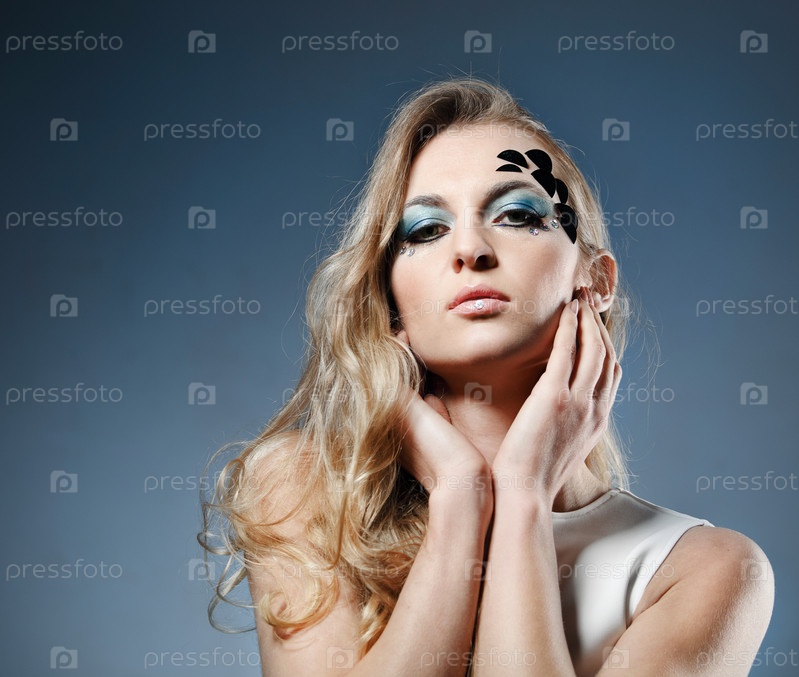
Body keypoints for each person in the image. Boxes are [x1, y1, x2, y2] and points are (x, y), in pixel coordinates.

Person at [200, 79, 774, 676]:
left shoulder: (706, 570)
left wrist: (523, 495)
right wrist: (459, 498)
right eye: (425, 230)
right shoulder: (306, 491)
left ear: (596, 280)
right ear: (390, 298)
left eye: (518, 214)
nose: (470, 248)